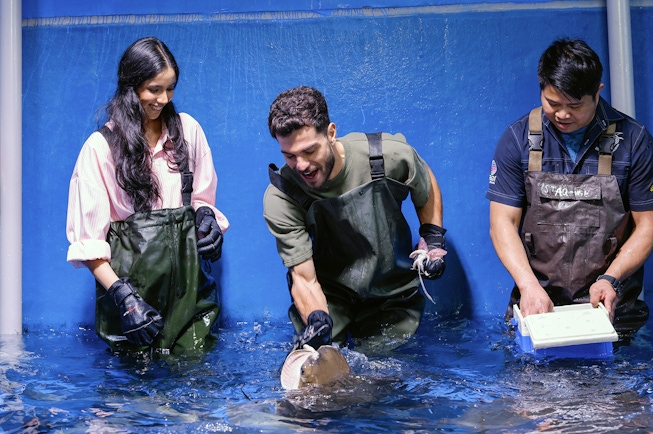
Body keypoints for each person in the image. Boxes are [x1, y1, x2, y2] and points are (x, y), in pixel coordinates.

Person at [487, 38, 653, 336]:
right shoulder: (518, 139)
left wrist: (610, 280)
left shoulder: (634, 142)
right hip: (538, 308)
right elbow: (502, 223)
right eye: (552, 103)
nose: (562, 115)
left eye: (574, 105)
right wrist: (529, 287)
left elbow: (650, 226)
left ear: (597, 93)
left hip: (611, 312)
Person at [66, 37, 228, 355]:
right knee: (131, 396)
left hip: (190, 300)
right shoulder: (100, 149)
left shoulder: (189, 132)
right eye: (154, 89)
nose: (163, 99)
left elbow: (202, 198)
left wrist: (206, 217)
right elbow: (89, 241)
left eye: (170, 89)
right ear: (131, 87)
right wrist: (125, 300)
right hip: (132, 308)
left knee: (194, 390)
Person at [263, 86, 446, 350]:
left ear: (331, 133)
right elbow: (303, 278)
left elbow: (423, 178)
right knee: (316, 371)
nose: (301, 165)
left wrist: (433, 237)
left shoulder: (386, 155)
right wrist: (317, 320)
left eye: (309, 151)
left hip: (391, 293)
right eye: (290, 156)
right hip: (330, 295)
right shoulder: (283, 195)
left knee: (377, 379)